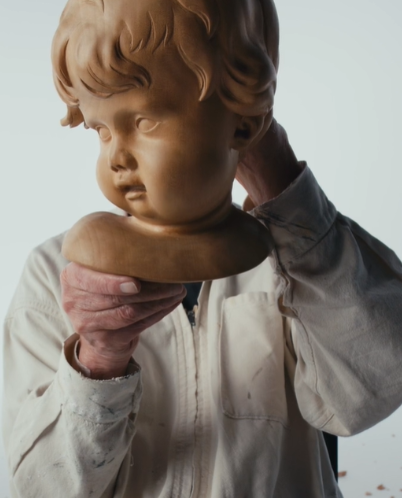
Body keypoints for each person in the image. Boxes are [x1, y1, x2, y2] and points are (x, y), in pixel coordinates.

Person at [3, 1, 402, 497]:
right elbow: (39, 489)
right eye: (101, 130)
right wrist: (97, 360)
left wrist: (277, 176)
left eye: (145, 121)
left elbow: (372, 390)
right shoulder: (53, 278)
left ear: (241, 123)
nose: (117, 158)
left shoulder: (297, 261)